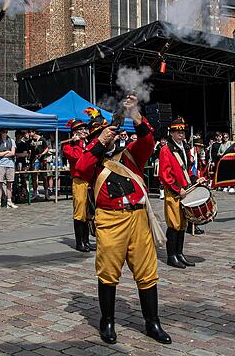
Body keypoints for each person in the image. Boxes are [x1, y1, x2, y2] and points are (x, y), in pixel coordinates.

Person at [76, 95, 171, 345]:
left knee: (147, 271)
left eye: (110, 133)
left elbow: (148, 141)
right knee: (108, 272)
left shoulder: (129, 156)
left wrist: (137, 116)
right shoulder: (93, 160)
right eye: (102, 134)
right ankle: (106, 321)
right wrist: (99, 144)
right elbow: (80, 170)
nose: (109, 137)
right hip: (110, 219)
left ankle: (152, 322)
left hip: (138, 218)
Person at [159, 116, 201, 269]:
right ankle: (172, 256)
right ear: (171, 133)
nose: (181, 134)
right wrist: (177, 188)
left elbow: (188, 169)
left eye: (183, 131)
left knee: (183, 224)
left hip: (185, 191)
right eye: (178, 132)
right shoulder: (166, 149)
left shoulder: (184, 147)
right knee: (174, 224)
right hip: (174, 192)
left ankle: (180, 254)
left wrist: (196, 179)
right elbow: (165, 174)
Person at [62, 118, 91, 252]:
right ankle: (79, 242)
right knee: (80, 212)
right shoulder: (68, 146)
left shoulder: (89, 143)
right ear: (74, 133)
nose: (84, 131)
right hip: (79, 181)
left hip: (90, 181)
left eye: (84, 129)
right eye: (80, 130)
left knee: (88, 213)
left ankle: (87, 241)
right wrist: (78, 142)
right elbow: (77, 157)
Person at [0, 129, 18, 209]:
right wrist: (7, 152)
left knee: (9, 184)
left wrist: (3, 153)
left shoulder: (12, 141)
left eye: (5, 132)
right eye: (2, 132)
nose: (4, 133)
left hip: (10, 165)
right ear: (0, 132)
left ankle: (9, 201)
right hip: (0, 165)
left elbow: (13, 153)